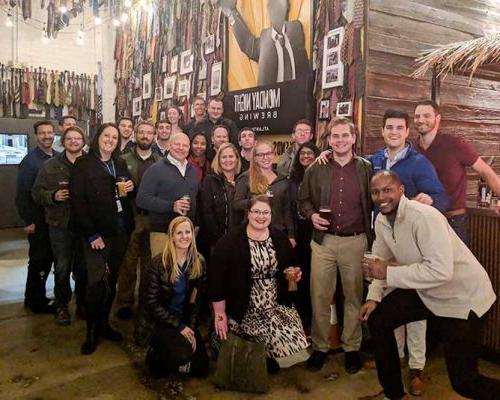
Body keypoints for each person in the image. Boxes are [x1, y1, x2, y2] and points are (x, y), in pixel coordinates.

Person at [359, 170, 500, 400]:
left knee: (465, 383)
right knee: (379, 319)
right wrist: (374, 296)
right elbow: (379, 258)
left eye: (387, 190)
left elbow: (440, 271)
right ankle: (394, 395)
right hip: (428, 292)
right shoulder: (383, 220)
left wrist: (388, 271)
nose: (381, 196)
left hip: (462, 299)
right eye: (375, 192)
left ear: (401, 190)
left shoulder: (424, 217)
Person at [368, 109, 450, 395]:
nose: (393, 132)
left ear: (406, 132)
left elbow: (441, 197)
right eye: (388, 126)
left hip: (413, 251)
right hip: (384, 240)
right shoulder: (374, 160)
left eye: (399, 128)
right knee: (390, 308)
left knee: (414, 314)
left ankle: (417, 368)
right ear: (383, 131)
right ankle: (395, 359)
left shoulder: (419, 163)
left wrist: (430, 199)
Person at [298, 117, 373, 373]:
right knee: (319, 295)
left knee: (353, 296)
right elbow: (303, 201)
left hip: (356, 241)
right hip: (324, 243)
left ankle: (352, 348)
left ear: (353, 138)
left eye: (345, 135)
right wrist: (312, 215)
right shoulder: (316, 169)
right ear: (328, 140)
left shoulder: (366, 168)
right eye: (335, 136)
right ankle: (320, 348)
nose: (340, 140)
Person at [210, 195, 309, 373]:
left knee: (293, 342)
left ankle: (264, 357)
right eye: (256, 211)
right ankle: (254, 355)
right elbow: (216, 280)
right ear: (248, 213)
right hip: (243, 304)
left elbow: (292, 265)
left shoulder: (279, 238)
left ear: (271, 215)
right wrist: (219, 314)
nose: (261, 216)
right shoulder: (230, 241)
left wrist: (297, 274)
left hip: (274, 303)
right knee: (240, 348)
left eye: (265, 212)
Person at [71, 123, 135, 355]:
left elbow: (126, 194)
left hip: (120, 230)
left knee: (112, 280)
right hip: (98, 234)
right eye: (106, 135)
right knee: (96, 282)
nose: (110, 140)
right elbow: (77, 202)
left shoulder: (119, 163)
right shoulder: (83, 164)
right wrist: (91, 234)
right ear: (97, 137)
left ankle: (105, 323)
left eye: (114, 137)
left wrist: (131, 185)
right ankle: (91, 331)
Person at [413, 100, 500, 244]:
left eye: (426, 116)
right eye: (417, 116)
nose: (421, 120)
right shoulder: (411, 149)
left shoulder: (455, 144)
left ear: (437, 118)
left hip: (453, 222)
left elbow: (485, 171)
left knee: (456, 267)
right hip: (422, 223)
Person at [140, 216, 209, 378]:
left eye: (188, 232)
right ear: (171, 236)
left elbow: (197, 301)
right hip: (161, 322)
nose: (184, 236)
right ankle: (155, 356)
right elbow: (151, 304)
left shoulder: (199, 262)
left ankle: (176, 360)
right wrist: (179, 326)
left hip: (184, 321)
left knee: (201, 369)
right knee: (181, 356)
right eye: (179, 233)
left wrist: (190, 329)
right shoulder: (158, 264)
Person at [32, 126, 87, 325]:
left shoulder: (90, 164)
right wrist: (53, 196)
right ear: (63, 142)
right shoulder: (50, 166)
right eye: (69, 138)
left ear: (84, 141)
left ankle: (82, 304)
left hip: (84, 226)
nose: (74, 141)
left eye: (78, 138)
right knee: (62, 267)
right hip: (60, 224)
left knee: (83, 268)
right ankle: (62, 305)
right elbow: (36, 193)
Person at [115, 121, 162, 321]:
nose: (145, 136)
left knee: (150, 264)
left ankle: (146, 302)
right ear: (135, 135)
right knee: (128, 262)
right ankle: (125, 302)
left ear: (154, 136)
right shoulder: (122, 159)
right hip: (131, 218)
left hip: (153, 219)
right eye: (141, 132)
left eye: (149, 133)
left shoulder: (161, 161)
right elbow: (115, 189)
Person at [16, 120, 58, 314]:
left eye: (49, 132)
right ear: (36, 136)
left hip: (53, 219)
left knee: (46, 260)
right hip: (38, 221)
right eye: (42, 133)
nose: (47, 136)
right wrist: (28, 221)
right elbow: (22, 194)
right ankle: (35, 302)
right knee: (38, 260)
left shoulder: (58, 157)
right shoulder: (30, 161)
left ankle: (32, 297)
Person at [136, 132, 199, 257]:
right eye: (177, 144)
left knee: (182, 273)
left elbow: (196, 199)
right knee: (162, 272)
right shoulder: (155, 169)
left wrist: (195, 224)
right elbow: (142, 199)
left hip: (186, 235)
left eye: (185, 145)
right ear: (169, 146)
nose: (181, 148)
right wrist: (172, 206)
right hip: (162, 233)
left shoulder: (192, 170)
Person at [220, 0, 309, 86]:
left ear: (287, 7)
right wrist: (231, 13)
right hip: (270, 100)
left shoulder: (295, 29)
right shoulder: (265, 38)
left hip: (298, 98)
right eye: (272, 5)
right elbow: (247, 44)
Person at [233, 140, 295, 244]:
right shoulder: (246, 178)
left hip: (278, 233)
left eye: (268, 153)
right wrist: (255, 201)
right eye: (261, 155)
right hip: (253, 233)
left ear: (273, 154)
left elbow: (287, 210)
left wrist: (291, 235)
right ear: (255, 158)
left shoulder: (283, 179)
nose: (265, 158)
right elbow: (236, 203)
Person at [288, 142, 320, 328]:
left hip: (315, 230)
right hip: (297, 231)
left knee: (314, 274)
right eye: (303, 153)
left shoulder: (321, 176)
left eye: (310, 153)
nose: (306, 156)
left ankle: (312, 315)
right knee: (298, 274)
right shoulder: (292, 179)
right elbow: (288, 208)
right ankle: (300, 314)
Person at [199, 142, 241, 253]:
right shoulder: (210, 180)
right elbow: (207, 213)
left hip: (239, 239)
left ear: (237, 159)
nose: (228, 160)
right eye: (224, 157)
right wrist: (220, 240)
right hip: (216, 241)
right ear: (218, 160)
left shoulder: (243, 180)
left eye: (231, 156)